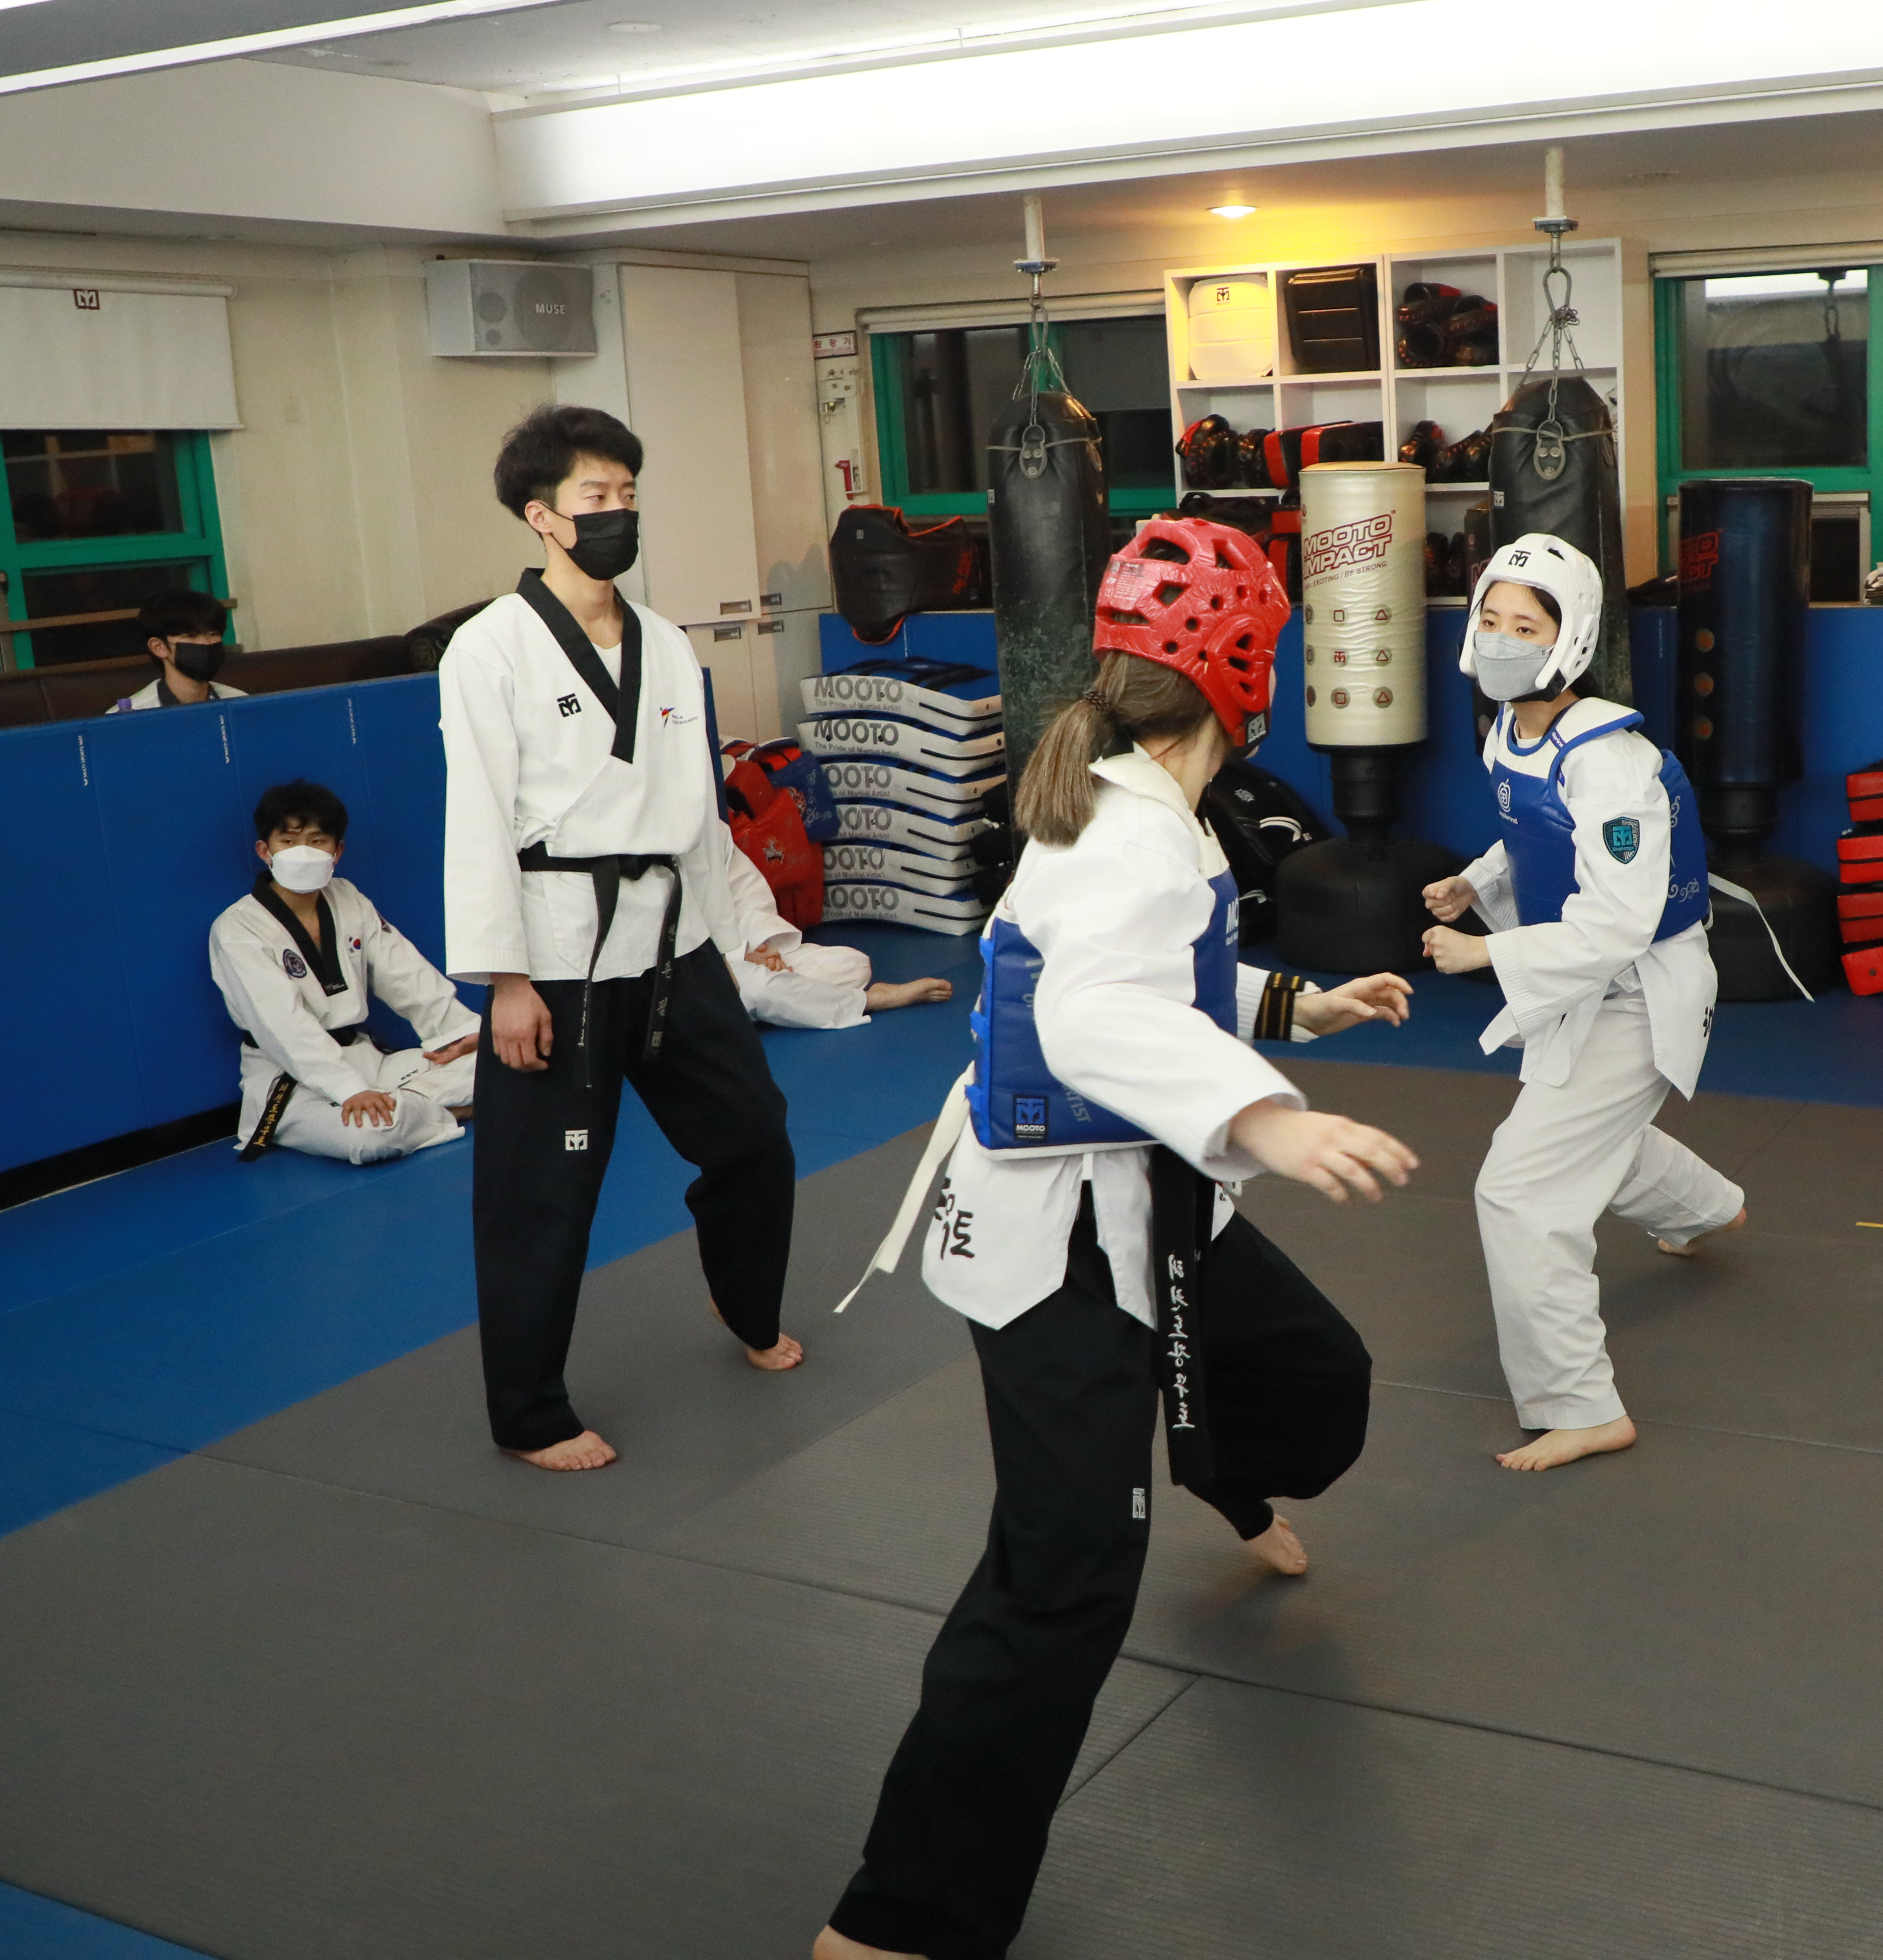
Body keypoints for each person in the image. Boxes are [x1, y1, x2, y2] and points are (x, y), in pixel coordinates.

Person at [817, 516, 1418, 1960]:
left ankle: (1219, 1470)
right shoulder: (1133, 829)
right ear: (1245, 671)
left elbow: (1159, 977)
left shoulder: (1138, 794)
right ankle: (897, 1921)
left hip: (1149, 1195)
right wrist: (1267, 1117)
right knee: (1063, 1580)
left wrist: (1294, 1007)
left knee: (1317, 1375)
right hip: (1063, 1243)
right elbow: (1090, 1013)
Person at [442, 403, 801, 1474]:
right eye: (597, 496)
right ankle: (530, 1414)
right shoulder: (489, 647)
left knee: (754, 1132)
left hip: (672, 943)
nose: (619, 513)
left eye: (629, 495)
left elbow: (698, 816)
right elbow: (478, 815)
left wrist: (730, 943)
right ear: (542, 515)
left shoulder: (664, 642)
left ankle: (743, 1300)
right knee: (543, 1193)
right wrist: (506, 981)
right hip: (556, 956)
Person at [1421, 534, 1748, 1474]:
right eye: (1491, 618)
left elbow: (1618, 921)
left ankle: (1581, 1405)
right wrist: (1478, 883)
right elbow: (1537, 836)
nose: (1501, 638)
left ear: (1569, 643)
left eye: (1526, 627)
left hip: (1639, 989)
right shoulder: (1512, 729)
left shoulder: (1611, 763)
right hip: (1582, 978)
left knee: (1520, 1190)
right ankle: (1706, 1209)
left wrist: (1485, 951)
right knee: (1588, 1130)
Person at [212, 778, 482, 1164]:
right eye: (288, 842)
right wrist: (349, 1089)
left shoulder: (348, 898)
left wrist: (461, 1033)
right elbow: (281, 1026)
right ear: (265, 851)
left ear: (337, 851)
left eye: (317, 841)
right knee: (367, 1138)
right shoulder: (238, 928)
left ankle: (405, 1110)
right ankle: (440, 1110)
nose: (303, 852)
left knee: (498, 1062)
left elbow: (407, 976)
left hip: (369, 1061)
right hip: (292, 1078)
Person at [714, 832, 955, 1029]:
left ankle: (791, 1000)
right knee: (758, 987)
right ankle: (871, 1000)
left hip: (742, 954)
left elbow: (746, 897)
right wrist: (739, 958)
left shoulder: (711, 828)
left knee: (853, 966)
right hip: (706, 972)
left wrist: (760, 951)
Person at [103, 588, 243, 712]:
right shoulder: (129, 717)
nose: (206, 643)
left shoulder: (241, 702)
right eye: (191, 636)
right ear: (158, 647)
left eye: (214, 634)